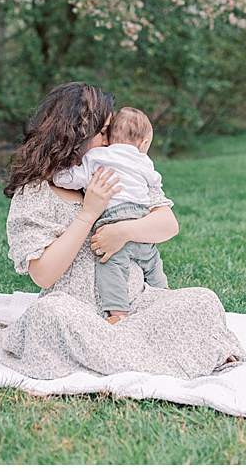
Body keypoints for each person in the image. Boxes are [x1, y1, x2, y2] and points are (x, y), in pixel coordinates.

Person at [0, 82, 245, 380]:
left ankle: (122, 350)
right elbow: (43, 274)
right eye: (104, 133)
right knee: (48, 316)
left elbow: (167, 225)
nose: (112, 140)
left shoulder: (119, 175)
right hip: (77, 310)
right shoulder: (37, 193)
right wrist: (89, 213)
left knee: (202, 300)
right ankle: (170, 355)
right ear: (75, 134)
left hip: (133, 303)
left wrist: (123, 231)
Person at [54, 107, 168, 324]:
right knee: (152, 260)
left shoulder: (97, 156)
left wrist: (56, 175)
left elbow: (70, 179)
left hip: (112, 218)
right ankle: (163, 290)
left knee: (111, 265)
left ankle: (117, 312)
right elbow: (155, 183)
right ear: (144, 144)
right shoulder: (144, 161)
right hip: (140, 218)